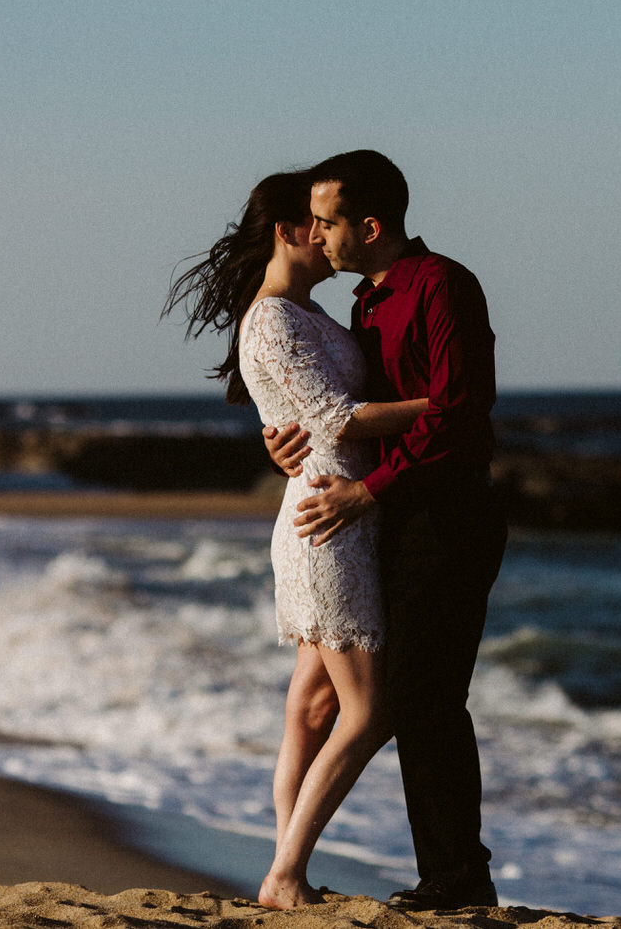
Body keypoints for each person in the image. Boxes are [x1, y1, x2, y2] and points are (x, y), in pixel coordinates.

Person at [163, 171, 431, 909]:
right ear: (287, 229)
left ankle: (289, 871)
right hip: (327, 524)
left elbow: (305, 413)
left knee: (313, 707)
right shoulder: (274, 319)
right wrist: (443, 406)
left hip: (339, 512)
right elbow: (340, 418)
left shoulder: (308, 312)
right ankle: (285, 872)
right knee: (369, 710)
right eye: (316, 221)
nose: (329, 232)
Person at [265, 150, 507, 911]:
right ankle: (444, 874)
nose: (321, 235)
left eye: (331, 221)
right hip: (389, 519)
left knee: (425, 697)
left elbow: (459, 410)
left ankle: (458, 875)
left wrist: (368, 491)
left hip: (448, 513)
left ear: (370, 225)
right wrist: (284, 440)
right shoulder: (364, 305)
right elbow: (338, 413)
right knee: (409, 698)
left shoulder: (442, 285)